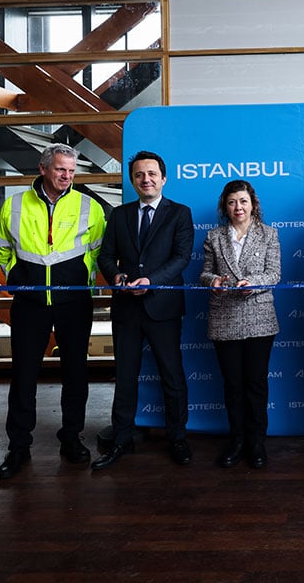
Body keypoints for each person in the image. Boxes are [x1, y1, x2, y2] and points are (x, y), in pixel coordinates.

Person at [0, 142, 108, 481]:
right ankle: (18, 445)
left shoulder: (89, 206)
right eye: (60, 169)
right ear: (43, 168)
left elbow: (98, 251)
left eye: (71, 171)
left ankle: (72, 437)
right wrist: (16, 275)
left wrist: (81, 277)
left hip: (74, 301)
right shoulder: (14, 204)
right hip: (29, 302)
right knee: (23, 373)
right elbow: (1, 247)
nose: (66, 176)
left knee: (76, 372)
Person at [92, 151, 196, 471]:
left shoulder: (180, 213)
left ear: (163, 178)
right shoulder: (119, 215)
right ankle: (122, 438)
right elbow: (105, 257)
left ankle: (177, 437)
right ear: (132, 180)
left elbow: (181, 257)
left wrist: (151, 281)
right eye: (139, 175)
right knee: (125, 377)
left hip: (163, 306)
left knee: (172, 376)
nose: (145, 179)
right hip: (127, 307)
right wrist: (117, 277)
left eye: (151, 174)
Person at [199, 180, 281, 470]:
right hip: (224, 317)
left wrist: (252, 283)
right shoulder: (214, 236)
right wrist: (214, 281)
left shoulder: (269, 234)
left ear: (253, 204)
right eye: (232, 202)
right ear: (225, 206)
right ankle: (236, 441)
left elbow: (274, 274)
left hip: (259, 318)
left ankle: (257, 442)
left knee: (256, 384)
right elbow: (204, 274)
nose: (238, 207)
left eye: (243, 201)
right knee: (233, 385)